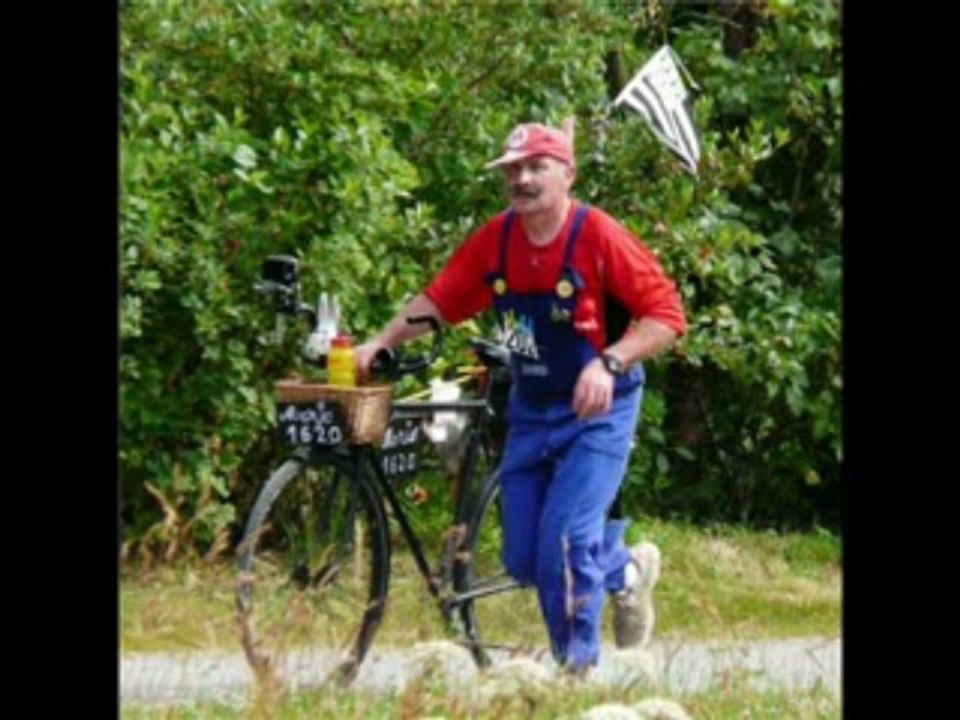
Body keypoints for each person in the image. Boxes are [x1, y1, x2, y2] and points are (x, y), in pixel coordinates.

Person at [356, 118, 687, 674]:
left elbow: (667, 317)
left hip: (598, 411)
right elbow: (439, 300)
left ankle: (575, 672)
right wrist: (382, 340)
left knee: (566, 542)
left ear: (568, 174)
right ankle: (625, 571)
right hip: (532, 408)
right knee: (525, 560)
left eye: (537, 167)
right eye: (514, 170)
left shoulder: (599, 235)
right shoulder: (497, 239)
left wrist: (610, 362)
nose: (524, 179)